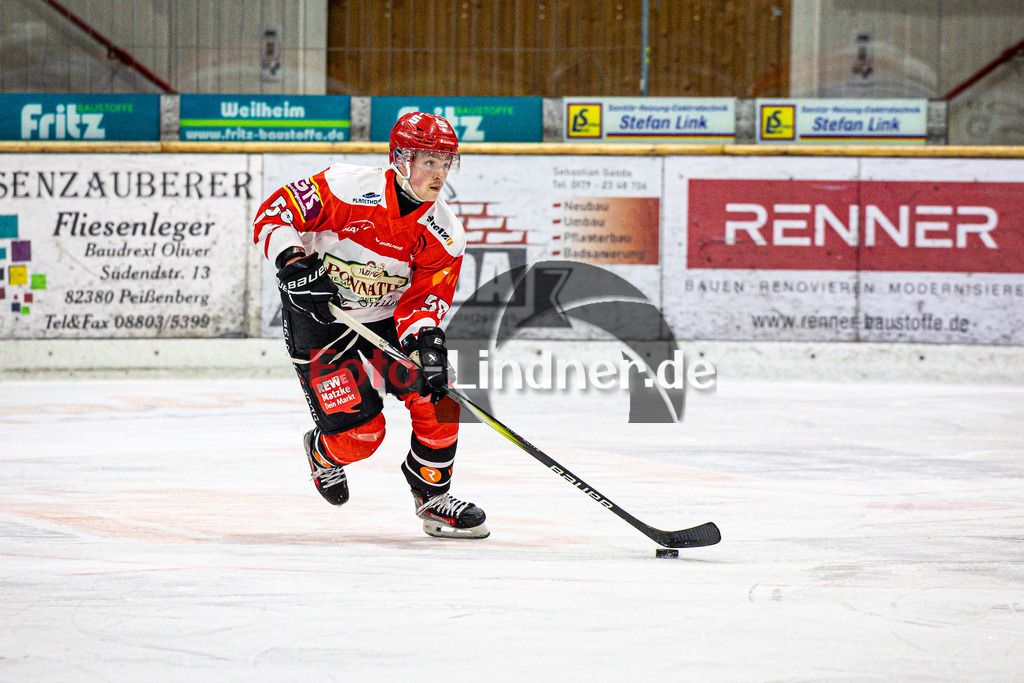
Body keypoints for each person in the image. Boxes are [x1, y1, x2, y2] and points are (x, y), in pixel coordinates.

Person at [252, 112, 487, 539]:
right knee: (362, 436)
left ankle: (433, 498)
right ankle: (323, 454)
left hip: (383, 320)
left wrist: (427, 345)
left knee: (440, 399)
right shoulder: (346, 186)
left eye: (445, 162)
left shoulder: (445, 233)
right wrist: (293, 265)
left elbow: (423, 302)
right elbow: (273, 215)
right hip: (320, 318)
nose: (439, 174)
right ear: (400, 159)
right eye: (428, 162)